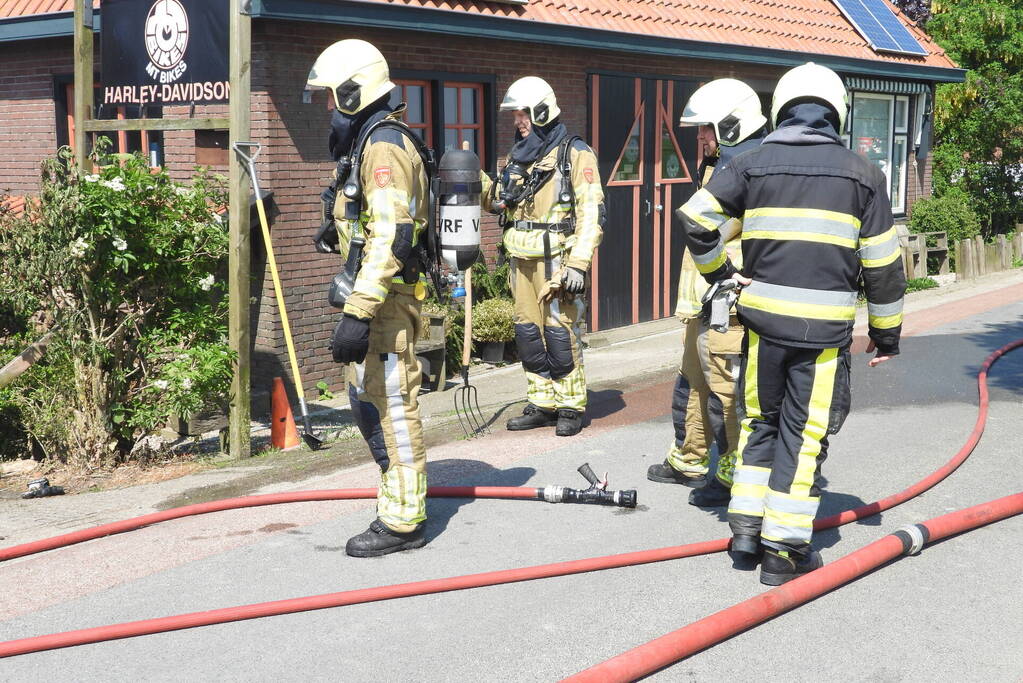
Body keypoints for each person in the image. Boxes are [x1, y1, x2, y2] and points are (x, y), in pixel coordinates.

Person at [677, 62, 906, 584]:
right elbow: (883, 266)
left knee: (760, 423)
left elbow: (694, 218)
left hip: (763, 330)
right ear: (835, 112)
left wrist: (723, 274)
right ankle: (784, 550)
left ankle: (745, 531)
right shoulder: (864, 173)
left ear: (782, 107)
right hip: (821, 338)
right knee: (803, 436)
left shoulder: (752, 163)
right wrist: (886, 333)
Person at [306, 39, 432, 557]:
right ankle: (395, 498)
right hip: (374, 296)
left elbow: (394, 235)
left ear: (354, 94)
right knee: (368, 404)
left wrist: (358, 314)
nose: (329, 110)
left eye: (333, 98)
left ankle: (404, 522)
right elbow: (370, 223)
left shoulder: (381, 147)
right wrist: (335, 231)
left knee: (392, 408)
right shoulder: (369, 141)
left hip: (385, 305)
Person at [647, 79, 768, 511]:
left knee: (725, 393)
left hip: (728, 305)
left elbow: (718, 233)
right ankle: (690, 460)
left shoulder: (750, 171)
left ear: (732, 126)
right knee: (693, 383)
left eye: (705, 128)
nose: (698, 137)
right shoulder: (719, 166)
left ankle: (733, 475)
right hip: (704, 300)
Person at [482, 76, 605, 437]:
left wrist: (579, 263)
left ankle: (569, 405)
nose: (517, 120)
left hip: (558, 262)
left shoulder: (574, 152)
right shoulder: (519, 156)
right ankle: (542, 402)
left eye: (522, 114)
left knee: (560, 332)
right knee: (528, 333)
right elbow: (500, 202)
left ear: (540, 111)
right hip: (521, 260)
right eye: (515, 114)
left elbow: (592, 213)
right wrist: (470, 176)